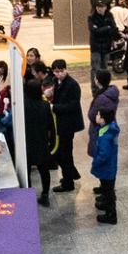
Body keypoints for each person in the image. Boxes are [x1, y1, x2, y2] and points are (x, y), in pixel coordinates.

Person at [48, 61, 84, 193]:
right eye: (56, 71)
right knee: (61, 153)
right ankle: (71, 173)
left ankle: (68, 182)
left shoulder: (72, 85)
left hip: (68, 124)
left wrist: (54, 107)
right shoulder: (56, 81)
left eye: (60, 71)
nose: (58, 74)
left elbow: (72, 106)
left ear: (65, 70)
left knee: (64, 153)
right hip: (59, 123)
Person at [21, 79, 57, 205]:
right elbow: (51, 125)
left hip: (27, 142)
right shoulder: (45, 105)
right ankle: (45, 194)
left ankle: (28, 194)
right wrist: (52, 142)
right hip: (41, 141)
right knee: (44, 170)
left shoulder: (23, 105)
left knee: (26, 170)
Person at [90, 106, 119, 225]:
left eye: (98, 115)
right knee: (107, 189)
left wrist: (95, 162)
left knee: (108, 192)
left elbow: (104, 155)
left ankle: (111, 215)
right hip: (109, 167)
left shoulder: (105, 137)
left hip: (106, 168)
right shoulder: (107, 129)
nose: (96, 116)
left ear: (103, 119)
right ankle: (106, 205)